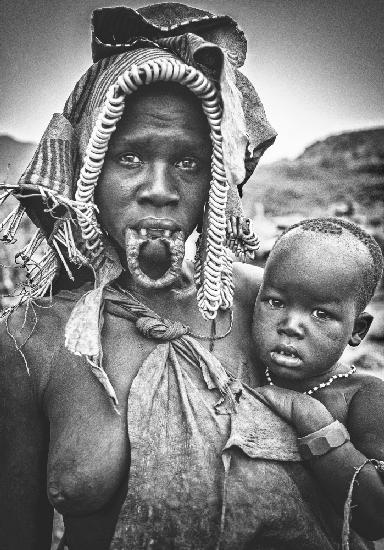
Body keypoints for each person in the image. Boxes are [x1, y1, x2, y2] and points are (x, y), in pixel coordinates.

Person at [0, 4, 381, 549]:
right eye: (129, 157)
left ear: (217, 180)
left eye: (189, 162)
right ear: (88, 168)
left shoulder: (267, 305)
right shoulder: (30, 340)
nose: (160, 187)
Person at [253, 217, 384, 536]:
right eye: (275, 302)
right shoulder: (246, 366)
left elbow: (376, 517)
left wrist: (311, 419)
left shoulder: (364, 394)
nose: (291, 325)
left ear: (357, 330)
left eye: (321, 313)